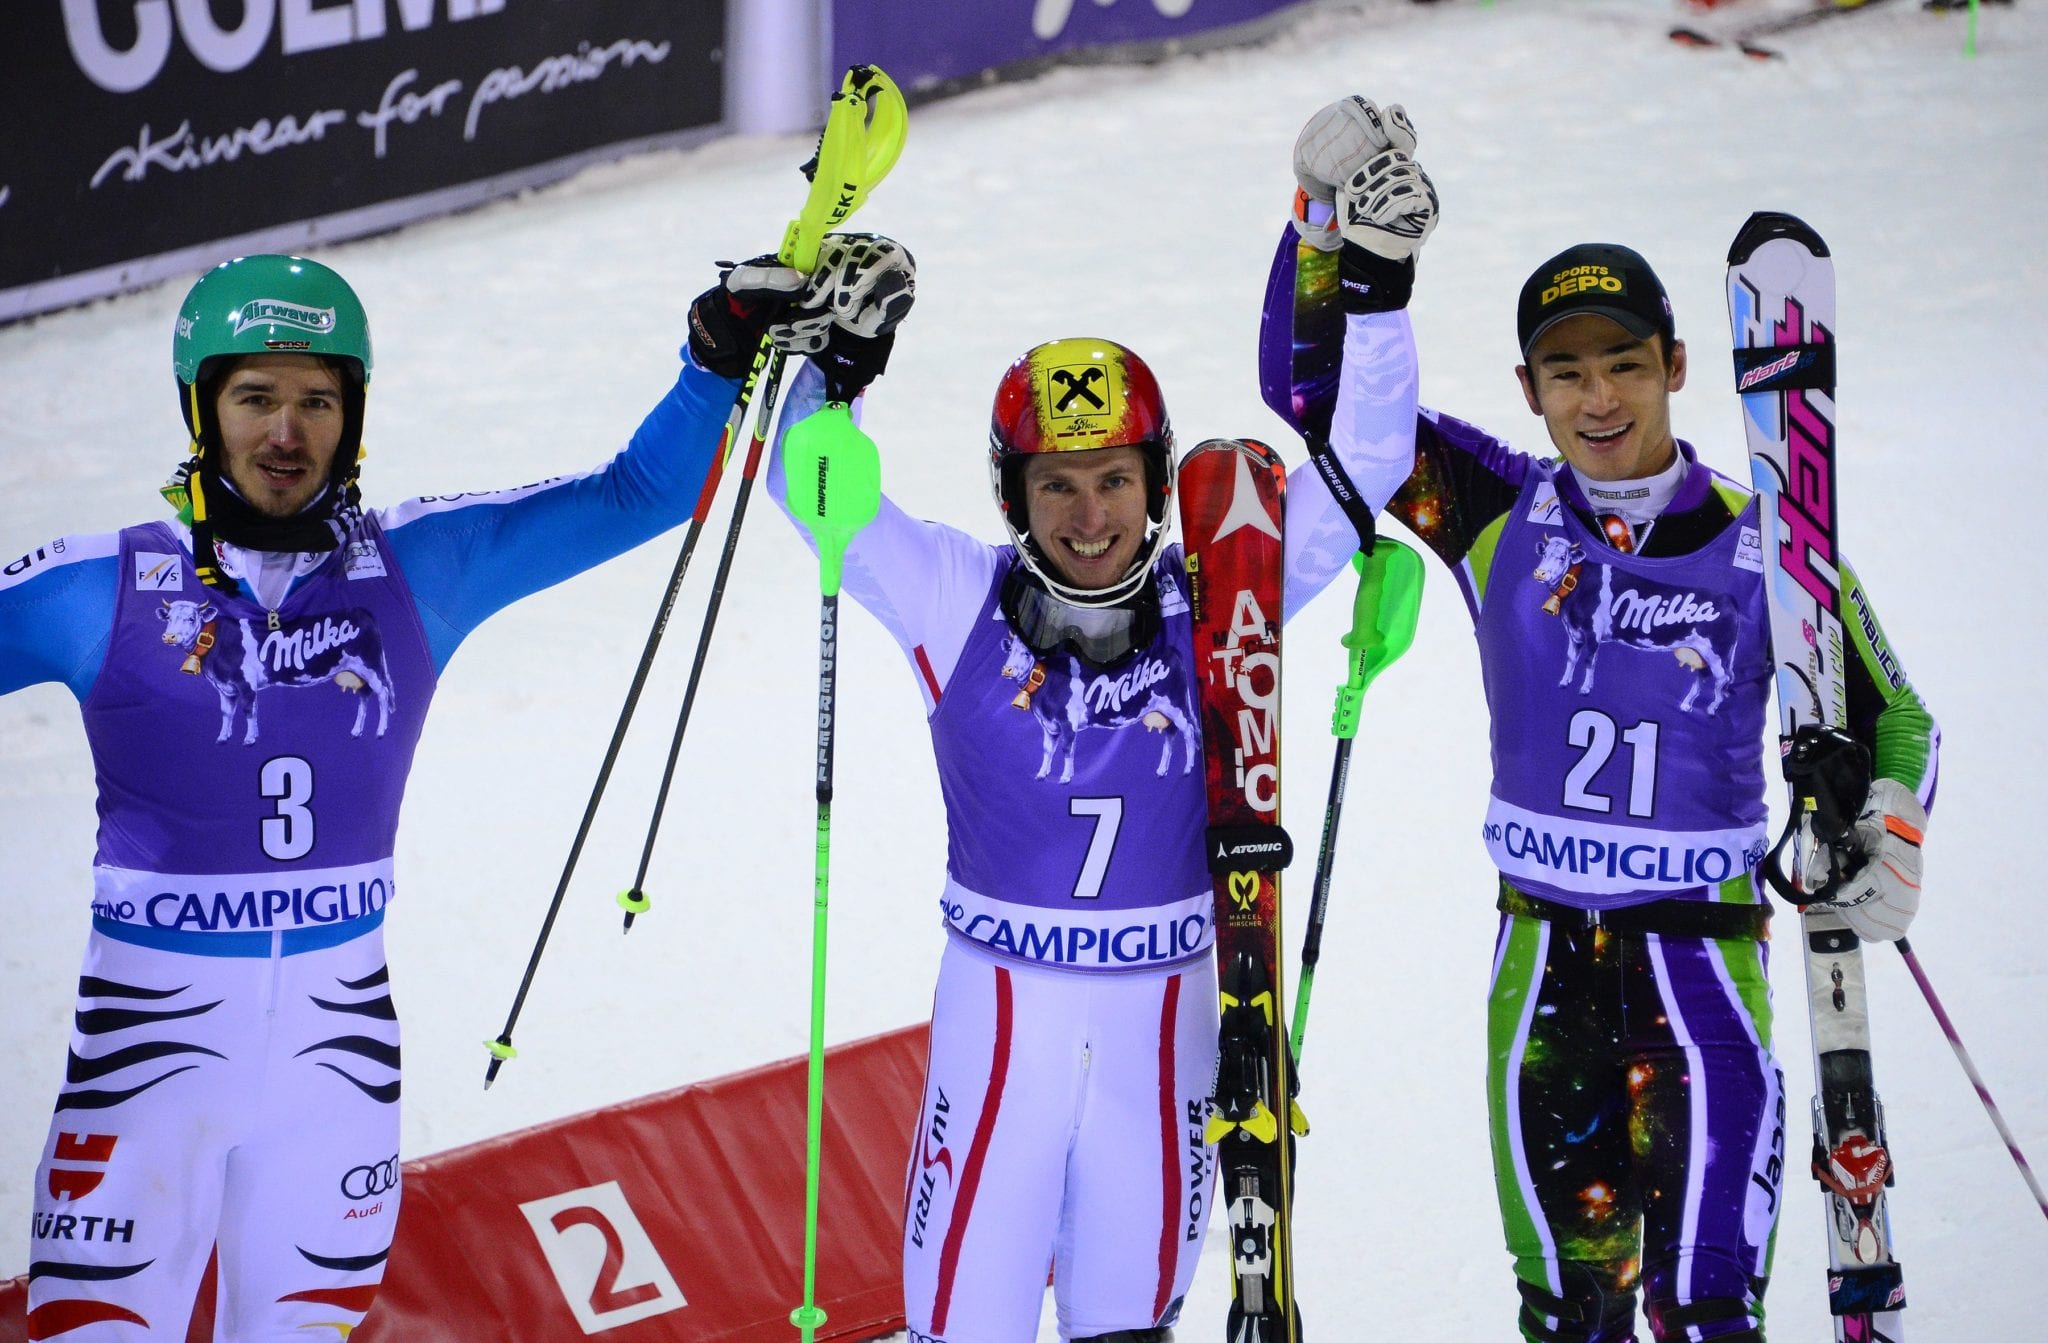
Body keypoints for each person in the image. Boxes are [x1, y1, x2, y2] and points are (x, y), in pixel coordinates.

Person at [1, 247, 846, 1339]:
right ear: (200, 409)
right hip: (142, 1061)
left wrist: (711, 359)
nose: (286, 433)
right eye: (254, 398)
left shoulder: (415, 566)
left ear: (354, 414)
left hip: (334, 1064)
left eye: (318, 400)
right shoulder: (97, 584)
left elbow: (634, 494)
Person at [716, 148, 1435, 1343]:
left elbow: (1365, 467)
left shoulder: (1224, 595)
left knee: (1125, 1325)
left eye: (1113, 480)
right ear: (1013, 493)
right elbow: (811, 489)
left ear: (1154, 484)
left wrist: (1377, 286)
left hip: (1171, 1024)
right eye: (1056, 484)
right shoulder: (956, 593)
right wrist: (827, 371)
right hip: (1000, 1020)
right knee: (962, 1321)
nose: (1088, 515)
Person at [1288, 97, 1939, 1343]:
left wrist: (1887, 822)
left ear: (1676, 365)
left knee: (1704, 1313)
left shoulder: (1771, 544)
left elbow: (1892, 717)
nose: (1599, 398)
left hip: (1700, 971)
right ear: (1527, 387)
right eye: (1567, 369)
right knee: (1568, 1311)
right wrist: (1324, 237)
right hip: (1541, 980)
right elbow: (1324, 407)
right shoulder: (1493, 509)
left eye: (1624, 362)